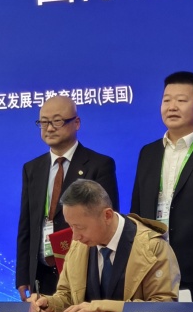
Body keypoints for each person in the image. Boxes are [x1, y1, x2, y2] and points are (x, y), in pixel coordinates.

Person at [130, 72, 193, 301]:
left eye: (181, 100)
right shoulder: (148, 152)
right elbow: (136, 212)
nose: (172, 107)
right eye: (166, 100)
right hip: (153, 267)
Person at [16, 95, 119, 299]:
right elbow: (26, 224)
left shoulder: (99, 165)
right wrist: (22, 274)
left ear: (76, 123)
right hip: (42, 272)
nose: (49, 128)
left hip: (84, 272)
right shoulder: (32, 168)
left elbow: (108, 222)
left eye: (57, 121)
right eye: (43, 122)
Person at [30, 179, 180, 312]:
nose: (75, 236)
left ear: (107, 215)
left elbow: (164, 307)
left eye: (80, 227)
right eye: (71, 226)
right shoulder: (78, 246)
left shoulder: (153, 247)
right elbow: (67, 298)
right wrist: (48, 303)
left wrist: (102, 307)